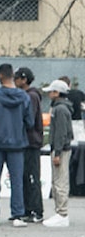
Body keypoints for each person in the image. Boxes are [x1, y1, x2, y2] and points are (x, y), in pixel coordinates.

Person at [0, 63, 33, 227]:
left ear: (0, 75)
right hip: (17, 143)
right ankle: (17, 215)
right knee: (17, 180)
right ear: (12, 76)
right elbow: (30, 122)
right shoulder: (24, 97)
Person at [14, 67, 44, 223]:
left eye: (16, 78)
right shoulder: (27, 95)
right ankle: (27, 209)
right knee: (24, 176)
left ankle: (36, 210)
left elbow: (29, 119)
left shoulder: (31, 96)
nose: (14, 81)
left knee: (32, 176)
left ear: (24, 80)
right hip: (25, 141)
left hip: (31, 142)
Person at [42, 79, 74, 228]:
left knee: (60, 182)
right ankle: (60, 212)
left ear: (57, 92)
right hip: (60, 148)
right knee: (58, 181)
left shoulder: (60, 109)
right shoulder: (61, 108)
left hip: (61, 149)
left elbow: (61, 133)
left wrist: (57, 152)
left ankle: (62, 213)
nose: (49, 93)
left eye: (51, 91)